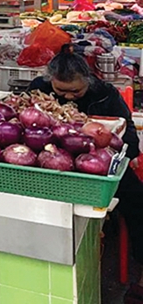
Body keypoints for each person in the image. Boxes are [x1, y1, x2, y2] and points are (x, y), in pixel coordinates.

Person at [28, 45, 143, 303]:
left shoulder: (105, 94)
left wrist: (110, 146)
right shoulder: (39, 89)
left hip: (102, 164)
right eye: (61, 91)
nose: (69, 97)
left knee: (138, 201)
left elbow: (129, 139)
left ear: (88, 81)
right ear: (50, 80)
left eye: (76, 91)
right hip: (50, 162)